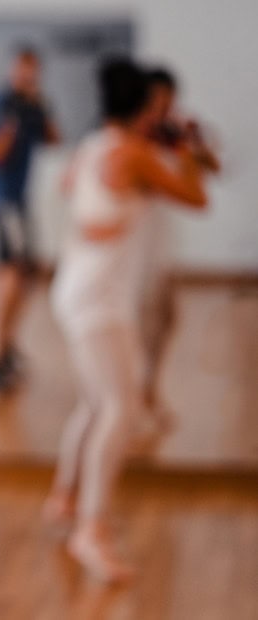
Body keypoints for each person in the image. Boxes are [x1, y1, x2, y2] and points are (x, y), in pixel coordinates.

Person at [44, 58, 208, 582]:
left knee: (97, 403)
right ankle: (91, 530)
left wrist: (93, 224)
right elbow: (196, 197)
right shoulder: (135, 153)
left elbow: (69, 190)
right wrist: (184, 152)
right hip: (98, 298)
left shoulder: (93, 146)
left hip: (79, 288)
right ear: (144, 109)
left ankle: (64, 498)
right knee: (122, 407)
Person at [135, 67, 221, 428]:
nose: (164, 106)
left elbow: (212, 168)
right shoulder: (135, 136)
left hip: (163, 240)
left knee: (166, 319)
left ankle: (148, 390)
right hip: (136, 243)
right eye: (158, 99)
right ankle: (132, 401)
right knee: (137, 325)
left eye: (169, 99)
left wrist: (193, 143)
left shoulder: (175, 132)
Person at [0, 45, 60, 390]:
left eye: (33, 71)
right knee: (10, 272)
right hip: (3, 200)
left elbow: (55, 140)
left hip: (21, 201)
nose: (28, 77)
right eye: (22, 70)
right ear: (12, 70)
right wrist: (11, 120)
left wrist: (40, 109)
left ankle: (8, 344)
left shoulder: (34, 105)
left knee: (27, 274)